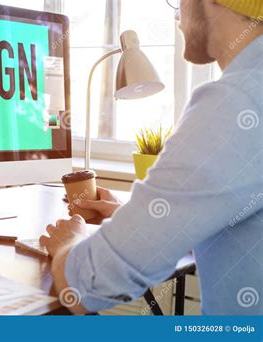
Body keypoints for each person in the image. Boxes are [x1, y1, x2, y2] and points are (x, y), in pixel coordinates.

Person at [40, 0, 262, 315]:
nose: (176, 13)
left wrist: (67, 243)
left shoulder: (238, 101)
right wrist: (137, 219)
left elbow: (92, 282)